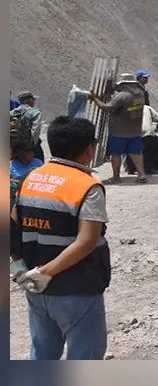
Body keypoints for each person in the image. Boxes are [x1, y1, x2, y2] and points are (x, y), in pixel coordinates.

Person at [10, 116, 111, 360]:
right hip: (77, 288)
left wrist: (20, 266)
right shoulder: (88, 187)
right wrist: (46, 273)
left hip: (36, 288)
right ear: (89, 149)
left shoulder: (30, 179)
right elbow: (86, 242)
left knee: (42, 354)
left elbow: (12, 227)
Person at [87, 74, 147, 184]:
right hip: (135, 130)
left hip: (119, 131)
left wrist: (94, 98)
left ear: (124, 85)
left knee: (116, 153)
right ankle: (141, 174)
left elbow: (108, 108)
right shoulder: (140, 94)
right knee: (136, 152)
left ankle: (116, 177)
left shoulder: (122, 96)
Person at [10, 119, 43, 207]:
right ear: (20, 155)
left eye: (31, 151)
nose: (31, 153)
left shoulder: (37, 163)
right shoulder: (11, 165)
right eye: (27, 152)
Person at [11, 92, 44, 162]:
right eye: (33, 99)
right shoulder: (35, 112)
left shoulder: (12, 112)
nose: (34, 101)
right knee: (38, 164)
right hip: (30, 147)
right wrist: (31, 146)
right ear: (29, 100)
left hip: (13, 145)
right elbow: (35, 131)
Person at [140, 104, 158, 175]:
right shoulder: (147, 108)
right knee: (149, 151)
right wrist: (157, 129)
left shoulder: (131, 108)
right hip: (147, 133)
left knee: (134, 151)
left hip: (134, 132)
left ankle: (131, 169)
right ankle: (148, 169)